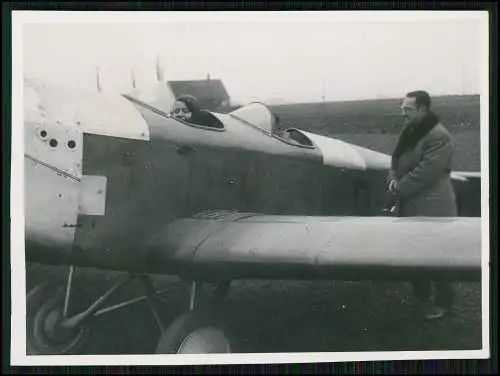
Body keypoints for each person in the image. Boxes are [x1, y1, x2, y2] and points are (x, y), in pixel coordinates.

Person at [386, 90, 457, 320]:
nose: (402, 113)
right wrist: (392, 179)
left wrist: (398, 187)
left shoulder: (438, 135)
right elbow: (395, 160)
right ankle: (422, 296)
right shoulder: (412, 130)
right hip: (411, 203)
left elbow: (427, 173)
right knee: (413, 253)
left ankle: (443, 303)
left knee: (438, 255)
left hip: (432, 206)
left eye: (407, 109)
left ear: (422, 109)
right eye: (402, 108)